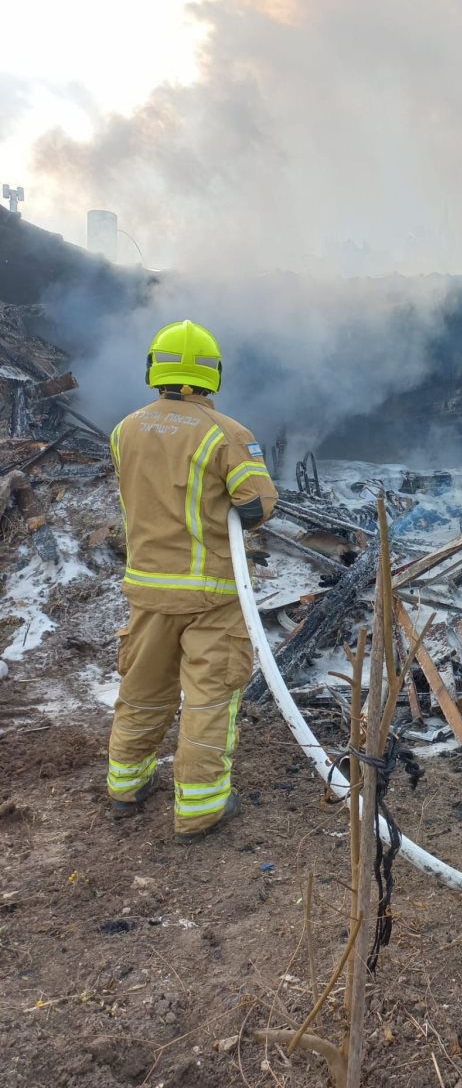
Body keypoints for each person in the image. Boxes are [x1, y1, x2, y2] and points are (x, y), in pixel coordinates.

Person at [106, 320, 277, 840]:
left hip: (147, 589)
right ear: (212, 373)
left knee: (142, 688)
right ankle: (201, 808)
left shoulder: (124, 429)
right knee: (208, 696)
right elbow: (258, 505)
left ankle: (126, 785)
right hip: (211, 594)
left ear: (154, 368)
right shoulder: (226, 433)